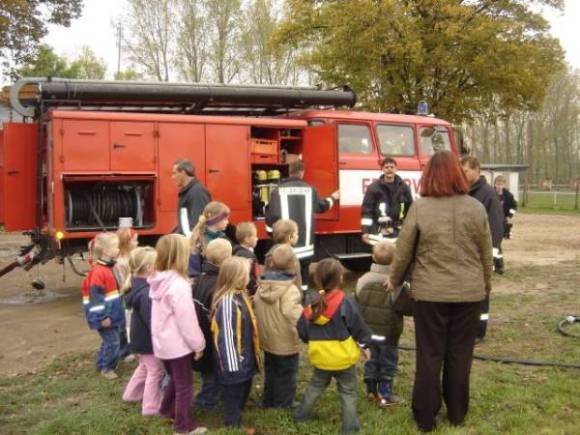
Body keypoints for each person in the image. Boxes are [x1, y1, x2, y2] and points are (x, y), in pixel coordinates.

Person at [387, 151, 492, 432]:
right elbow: (486, 256)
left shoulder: (420, 208)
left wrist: (394, 280)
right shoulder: (476, 208)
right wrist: (484, 286)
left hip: (430, 295)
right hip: (469, 294)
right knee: (460, 354)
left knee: (430, 354)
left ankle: (425, 416)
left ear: (429, 176)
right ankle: (457, 412)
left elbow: (403, 251)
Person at [295, 258, 372, 434]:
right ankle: (350, 429)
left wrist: (312, 341)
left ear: (317, 279)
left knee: (314, 387)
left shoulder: (310, 304)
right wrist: (364, 345)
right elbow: (358, 327)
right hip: (344, 360)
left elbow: (302, 329)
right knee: (348, 393)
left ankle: (301, 416)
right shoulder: (347, 302)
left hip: (321, 358)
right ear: (341, 279)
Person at [149, 234, 207, 435]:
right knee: (185, 386)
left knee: (175, 378)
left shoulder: (157, 280)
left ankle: (166, 409)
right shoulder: (179, 286)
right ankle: (183, 426)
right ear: (180, 256)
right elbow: (187, 321)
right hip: (178, 346)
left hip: (162, 344)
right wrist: (198, 345)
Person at [266, 160, 340, 291]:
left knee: (285, 280)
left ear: (289, 172)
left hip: (285, 250)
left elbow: (271, 219)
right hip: (306, 248)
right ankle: (303, 301)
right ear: (302, 173)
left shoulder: (276, 192)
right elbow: (322, 207)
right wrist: (333, 197)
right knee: (304, 281)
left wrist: (274, 237)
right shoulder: (310, 189)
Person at [211, 257, 261, 431]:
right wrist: (234, 367)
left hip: (244, 362)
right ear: (238, 277)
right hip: (234, 366)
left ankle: (237, 416)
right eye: (247, 274)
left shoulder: (241, 294)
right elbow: (226, 338)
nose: (249, 277)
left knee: (242, 392)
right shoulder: (227, 302)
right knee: (233, 397)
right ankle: (233, 426)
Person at [461, 156, 504, 342]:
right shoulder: (463, 191)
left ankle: (479, 331)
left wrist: (491, 256)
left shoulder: (487, 194)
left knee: (481, 294)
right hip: (464, 254)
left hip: (480, 255)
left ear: (477, 170)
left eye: (466, 171)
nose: (463, 174)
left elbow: (495, 226)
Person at [254, 244, 302, 409]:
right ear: (294, 264)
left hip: (268, 340)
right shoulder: (290, 290)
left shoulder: (262, 286)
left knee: (272, 371)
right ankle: (284, 403)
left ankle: (268, 400)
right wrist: (304, 329)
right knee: (287, 374)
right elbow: (292, 314)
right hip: (286, 342)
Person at [355, 240, 403, 407]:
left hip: (368, 332)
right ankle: (385, 392)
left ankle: (370, 389)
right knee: (388, 361)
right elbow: (402, 306)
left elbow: (358, 302)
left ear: (373, 257)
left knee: (371, 359)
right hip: (389, 334)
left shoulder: (363, 280)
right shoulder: (395, 284)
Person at [122, 247, 164, 416]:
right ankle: (150, 407)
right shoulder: (147, 293)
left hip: (137, 341)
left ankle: (131, 394)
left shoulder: (134, 286)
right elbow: (152, 321)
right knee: (155, 371)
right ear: (149, 268)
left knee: (144, 368)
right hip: (147, 342)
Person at [191, 238, 233, 410]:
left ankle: (211, 396)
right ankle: (206, 401)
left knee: (208, 372)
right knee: (212, 374)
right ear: (227, 260)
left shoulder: (200, 278)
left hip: (200, 333)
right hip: (210, 338)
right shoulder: (219, 286)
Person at [82, 232, 124, 379]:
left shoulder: (109, 268)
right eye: (116, 247)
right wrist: (102, 317)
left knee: (109, 340)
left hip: (111, 314)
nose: (119, 249)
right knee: (113, 342)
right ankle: (107, 368)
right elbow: (96, 299)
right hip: (104, 316)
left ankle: (101, 363)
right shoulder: (99, 272)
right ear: (106, 251)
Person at [360, 157, 414, 243]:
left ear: (396, 169)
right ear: (382, 169)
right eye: (386, 167)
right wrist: (365, 231)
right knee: (381, 256)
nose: (389, 169)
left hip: (399, 233)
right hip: (379, 233)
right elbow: (367, 211)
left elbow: (411, 210)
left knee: (399, 256)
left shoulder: (404, 188)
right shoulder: (373, 188)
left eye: (392, 167)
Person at [189, 201, 231, 278]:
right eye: (225, 219)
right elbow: (193, 272)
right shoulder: (198, 241)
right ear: (215, 220)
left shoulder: (223, 238)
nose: (228, 222)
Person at [172, 159, 211, 237]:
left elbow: (197, 223)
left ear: (183, 172)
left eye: (174, 173)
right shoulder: (190, 191)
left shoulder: (197, 192)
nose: (172, 177)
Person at [263, 219, 302, 289]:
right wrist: (299, 295)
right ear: (290, 237)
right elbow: (296, 280)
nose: (298, 236)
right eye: (296, 234)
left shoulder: (270, 253)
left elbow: (265, 277)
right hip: (289, 296)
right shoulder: (291, 256)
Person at [233, 222, 260, 296]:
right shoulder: (249, 256)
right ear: (247, 239)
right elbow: (253, 276)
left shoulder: (236, 252)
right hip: (249, 293)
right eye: (255, 236)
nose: (257, 238)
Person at [494, 175, 518, 239]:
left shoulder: (509, 195)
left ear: (504, 185)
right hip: (492, 216)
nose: (499, 186)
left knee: (505, 235)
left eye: (501, 184)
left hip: (503, 216)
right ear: (495, 184)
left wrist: (510, 215)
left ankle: (506, 231)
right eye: (497, 184)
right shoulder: (490, 193)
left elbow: (514, 206)